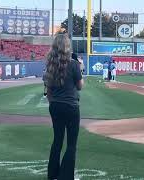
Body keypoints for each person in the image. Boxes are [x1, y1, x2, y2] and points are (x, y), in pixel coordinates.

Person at [43, 33, 83, 180]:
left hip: (55, 107)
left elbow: (49, 92)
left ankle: (53, 175)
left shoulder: (50, 65)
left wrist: (54, 104)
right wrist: (81, 69)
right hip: (71, 106)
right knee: (71, 144)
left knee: (57, 141)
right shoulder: (73, 64)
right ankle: (66, 176)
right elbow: (79, 86)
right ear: (67, 47)